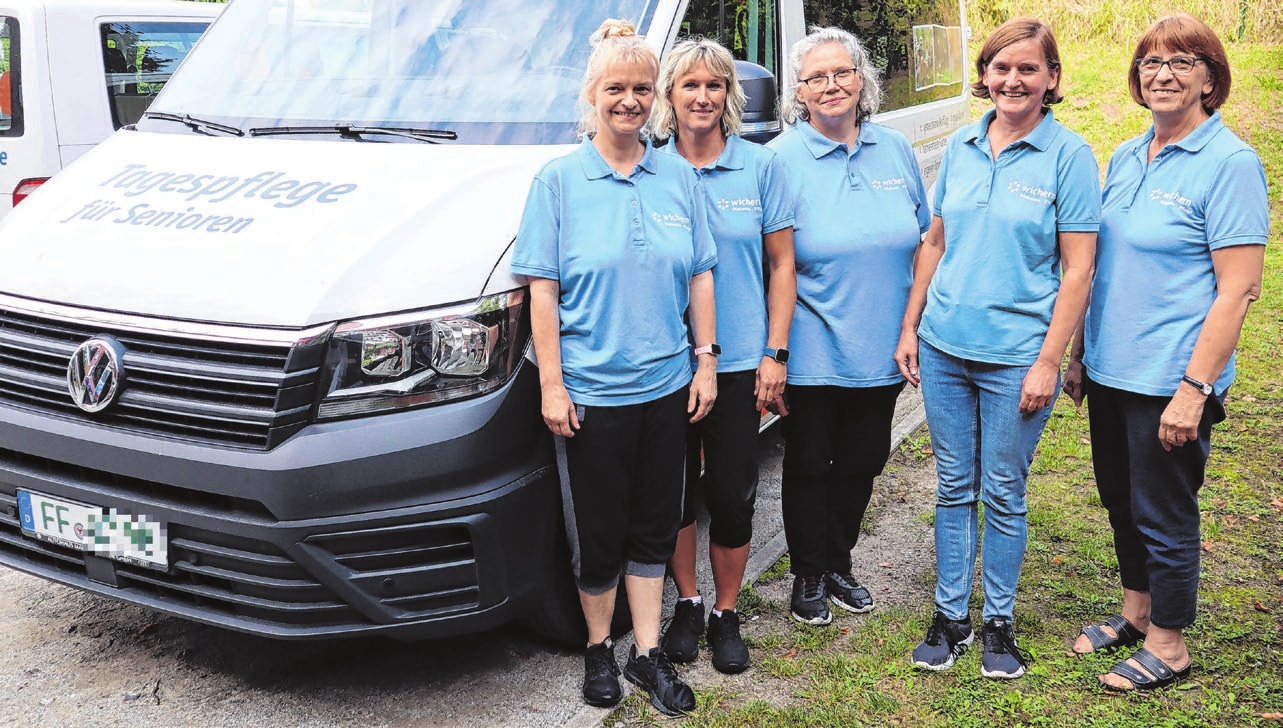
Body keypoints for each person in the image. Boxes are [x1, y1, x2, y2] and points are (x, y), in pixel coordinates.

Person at [510, 18, 717, 716]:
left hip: (665, 388)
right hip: (592, 396)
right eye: (614, 89)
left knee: (655, 526)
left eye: (639, 89)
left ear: (654, 97)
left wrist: (705, 364)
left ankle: (647, 654)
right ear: (590, 96)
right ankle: (599, 646)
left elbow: (700, 277)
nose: (628, 101)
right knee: (597, 534)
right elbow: (541, 287)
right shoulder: (559, 181)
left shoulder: (675, 179)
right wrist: (552, 383)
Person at [1063, 13, 1268, 692]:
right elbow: (1099, 267)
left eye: (1182, 62)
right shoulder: (1126, 155)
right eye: (1151, 62)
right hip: (1112, 367)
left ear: (1211, 78)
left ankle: (1169, 645)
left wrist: (1194, 388)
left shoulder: (1229, 163)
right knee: (1121, 502)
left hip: (1170, 377)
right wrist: (1078, 353)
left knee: (1164, 511)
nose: (1164, 74)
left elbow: (1236, 291)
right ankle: (1135, 613)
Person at [895, 17, 1099, 679]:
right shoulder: (959, 143)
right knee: (953, 487)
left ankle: (999, 623)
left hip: (1016, 355)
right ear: (983, 76)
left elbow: (1077, 269)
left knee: (1003, 490)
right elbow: (934, 241)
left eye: (1027, 69)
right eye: (1000, 68)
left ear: (1051, 79)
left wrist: (1049, 359)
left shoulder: (1067, 155)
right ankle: (950, 615)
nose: (1012, 80)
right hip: (944, 346)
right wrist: (909, 327)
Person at [766, 27, 929, 627]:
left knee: (865, 458)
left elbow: (924, 238)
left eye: (843, 74)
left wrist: (914, 325)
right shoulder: (780, 160)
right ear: (799, 93)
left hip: (883, 344)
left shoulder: (894, 150)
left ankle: (838, 560)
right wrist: (773, 350)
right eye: (816, 77)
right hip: (810, 344)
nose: (830, 86)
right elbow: (770, 261)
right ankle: (807, 573)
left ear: (863, 82)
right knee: (810, 461)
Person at [652, 37, 796, 675]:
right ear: (670, 97)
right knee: (674, 494)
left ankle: (725, 612)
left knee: (733, 492)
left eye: (714, 86)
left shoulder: (759, 167)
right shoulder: (649, 168)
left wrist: (775, 352)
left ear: (729, 97)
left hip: (738, 361)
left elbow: (782, 264)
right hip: (663, 362)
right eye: (690, 86)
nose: (703, 97)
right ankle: (686, 601)